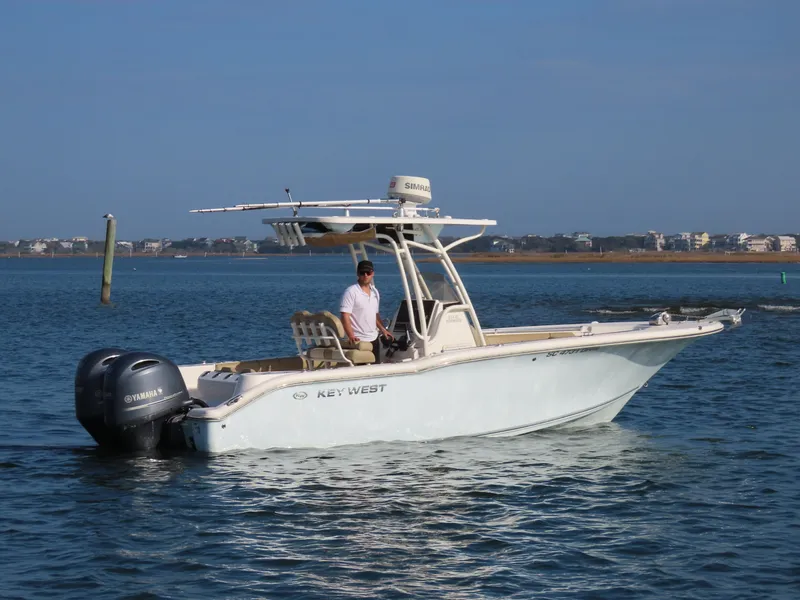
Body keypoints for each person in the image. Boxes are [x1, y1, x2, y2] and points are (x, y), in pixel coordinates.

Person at [340, 260, 393, 364]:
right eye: (362, 273)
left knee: (375, 369)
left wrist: (383, 330)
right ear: (358, 274)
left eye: (368, 272)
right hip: (358, 341)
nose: (365, 275)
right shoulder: (351, 292)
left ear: (372, 273)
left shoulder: (375, 292)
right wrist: (351, 335)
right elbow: (345, 316)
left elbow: (375, 315)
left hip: (374, 339)